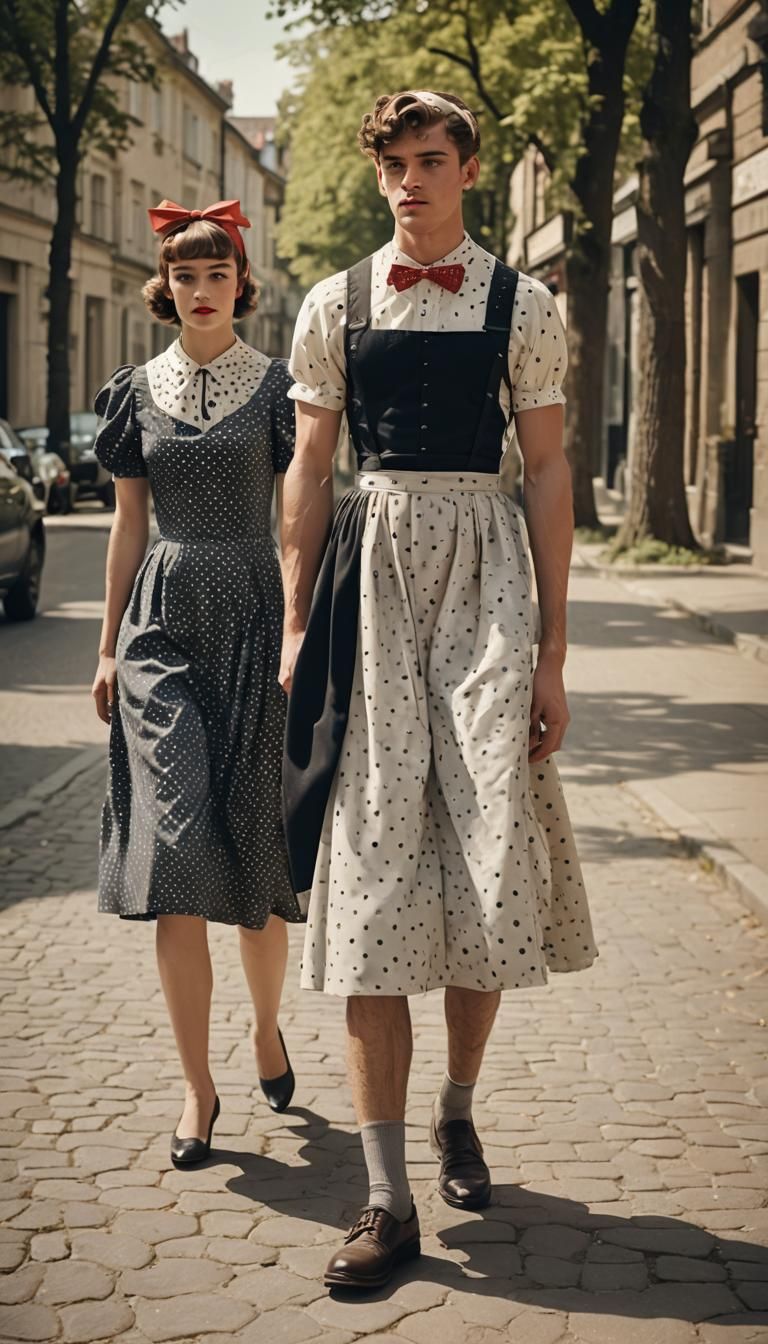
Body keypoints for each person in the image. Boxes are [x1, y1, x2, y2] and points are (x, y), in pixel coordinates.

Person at [280, 91, 598, 1289]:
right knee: (369, 877)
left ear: (467, 168)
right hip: (370, 585)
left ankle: (457, 1107)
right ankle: (385, 1196)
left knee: (485, 859)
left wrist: (553, 650)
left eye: (430, 159)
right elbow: (311, 466)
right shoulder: (334, 302)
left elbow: (549, 469)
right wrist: (297, 619)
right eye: (395, 165)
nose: (410, 180)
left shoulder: (526, 303)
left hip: (487, 586)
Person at [91, 199, 302, 1166]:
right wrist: (107, 645)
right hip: (161, 630)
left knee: (256, 858)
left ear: (241, 285)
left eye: (219, 274)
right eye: (186, 275)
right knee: (174, 851)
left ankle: (265, 1029)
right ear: (166, 287)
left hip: (256, 621)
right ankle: (197, 1089)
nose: (203, 289)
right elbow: (128, 524)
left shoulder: (282, 388)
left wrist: (304, 629)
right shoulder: (135, 392)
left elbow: (302, 517)